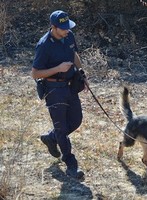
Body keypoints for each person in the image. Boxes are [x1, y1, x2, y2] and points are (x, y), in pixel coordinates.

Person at [31, 10, 87, 179]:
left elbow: (74, 54)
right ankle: (71, 164)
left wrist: (82, 72)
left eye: (67, 27)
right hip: (54, 90)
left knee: (76, 120)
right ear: (53, 27)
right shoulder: (44, 45)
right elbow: (35, 73)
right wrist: (58, 69)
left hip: (71, 86)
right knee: (62, 127)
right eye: (62, 28)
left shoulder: (69, 35)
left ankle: (51, 137)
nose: (66, 30)